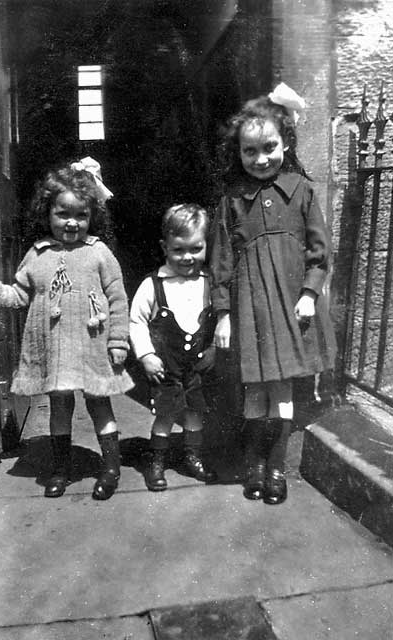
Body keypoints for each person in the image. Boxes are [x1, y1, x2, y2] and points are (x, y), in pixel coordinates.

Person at [210, 83, 336, 505]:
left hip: (287, 308)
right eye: (250, 152)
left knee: (281, 389)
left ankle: (277, 469)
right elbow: (222, 260)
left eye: (269, 147)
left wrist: (309, 293)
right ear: (238, 153)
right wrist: (224, 314)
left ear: (285, 142)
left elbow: (319, 252)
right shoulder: (231, 200)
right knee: (254, 391)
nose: (261, 159)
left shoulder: (301, 190)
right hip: (250, 311)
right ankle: (254, 466)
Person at [0, 162, 133, 500]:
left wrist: (118, 340)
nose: (71, 222)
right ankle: (61, 468)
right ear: (47, 213)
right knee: (60, 406)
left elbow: (117, 299)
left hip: (92, 345)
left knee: (99, 404)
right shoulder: (37, 255)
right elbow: (18, 296)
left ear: (91, 216)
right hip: (56, 349)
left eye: (80, 215)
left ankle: (110, 468)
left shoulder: (99, 253)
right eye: (62, 213)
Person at [129, 204, 217, 491]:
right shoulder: (153, 284)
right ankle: (157, 461)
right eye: (178, 250)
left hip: (198, 365)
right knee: (165, 414)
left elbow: (221, 319)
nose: (187, 257)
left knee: (194, 412)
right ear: (164, 247)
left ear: (206, 246)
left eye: (196, 248)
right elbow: (137, 321)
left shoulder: (210, 283)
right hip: (166, 367)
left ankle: (193, 456)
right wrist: (146, 354)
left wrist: (215, 347)